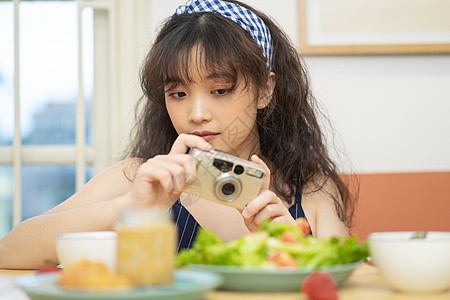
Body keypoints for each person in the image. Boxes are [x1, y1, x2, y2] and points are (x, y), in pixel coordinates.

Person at [0, 0, 355, 270]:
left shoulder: (309, 191)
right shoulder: (138, 179)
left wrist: (289, 242)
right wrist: (130, 208)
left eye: (220, 90)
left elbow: (348, 285)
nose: (197, 114)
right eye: (178, 94)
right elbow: (10, 250)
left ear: (265, 90)